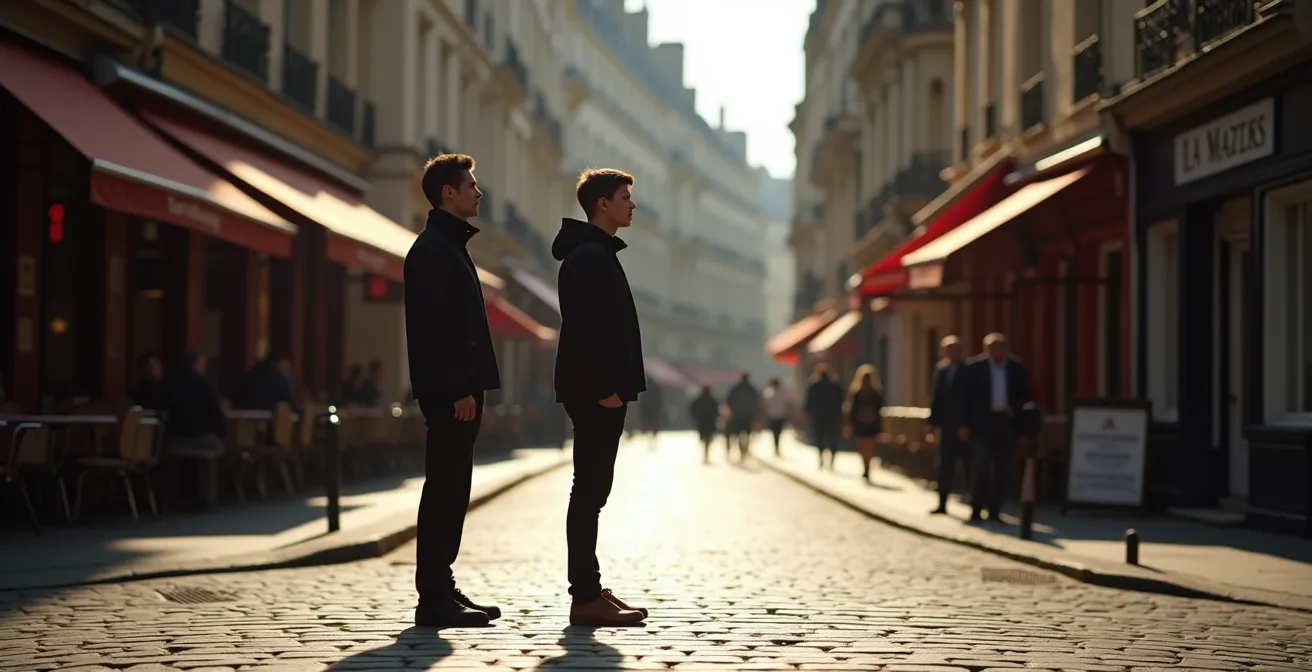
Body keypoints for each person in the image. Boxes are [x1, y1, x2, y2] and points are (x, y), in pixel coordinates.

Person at [404, 153, 503, 628]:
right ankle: (432, 597)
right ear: (449, 192)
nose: (479, 193)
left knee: (453, 488)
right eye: (471, 185)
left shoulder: (449, 245)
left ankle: (442, 587)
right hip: (453, 395)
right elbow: (433, 331)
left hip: (461, 391)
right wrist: (458, 388)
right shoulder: (432, 250)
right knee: (444, 488)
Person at [552, 168, 648, 627]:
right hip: (596, 394)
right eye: (625, 197)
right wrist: (606, 390)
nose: (632, 204)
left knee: (593, 492)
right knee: (588, 492)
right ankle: (584, 596)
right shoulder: (590, 255)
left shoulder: (595, 252)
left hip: (599, 392)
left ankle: (589, 588)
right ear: (602, 205)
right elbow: (586, 332)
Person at [960, 332, 1033, 523]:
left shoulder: (1015, 368)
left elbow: (1025, 394)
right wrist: (964, 424)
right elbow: (964, 398)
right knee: (981, 465)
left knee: (1003, 468)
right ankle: (976, 508)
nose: (998, 352)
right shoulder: (975, 368)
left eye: (1001, 347)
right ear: (987, 350)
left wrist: (1014, 409)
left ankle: (995, 510)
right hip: (982, 423)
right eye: (994, 348)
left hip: (1006, 422)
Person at [160, 351, 227, 511]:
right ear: (197, 364)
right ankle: (207, 498)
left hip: (174, 439)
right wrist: (222, 435)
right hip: (202, 438)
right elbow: (217, 414)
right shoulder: (207, 384)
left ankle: (171, 498)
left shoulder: (169, 383)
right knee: (216, 451)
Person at [928, 335, 970, 515]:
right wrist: (931, 423)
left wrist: (966, 424)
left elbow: (971, 399)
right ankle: (942, 503)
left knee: (970, 466)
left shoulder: (969, 370)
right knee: (944, 466)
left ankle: (975, 505)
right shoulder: (941, 370)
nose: (951, 353)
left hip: (965, 428)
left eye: (954, 349)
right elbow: (936, 397)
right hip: (946, 426)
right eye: (948, 350)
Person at [844, 364, 884, 482]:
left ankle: (865, 466)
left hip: (861, 423)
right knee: (869, 445)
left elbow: (852, 410)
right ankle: (868, 465)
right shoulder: (875, 392)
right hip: (871, 423)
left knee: (863, 445)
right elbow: (879, 410)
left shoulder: (857, 392)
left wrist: (849, 423)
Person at [804, 363, 844, 469]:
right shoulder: (835, 386)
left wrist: (808, 414)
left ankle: (821, 456)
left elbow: (809, 402)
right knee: (833, 438)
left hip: (819, 416)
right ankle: (832, 459)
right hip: (833, 416)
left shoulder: (814, 386)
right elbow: (841, 402)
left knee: (819, 437)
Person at [724, 372, 761, 463]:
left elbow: (729, 400)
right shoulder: (752, 389)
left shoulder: (736, 388)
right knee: (746, 432)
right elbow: (757, 401)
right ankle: (744, 448)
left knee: (739, 432)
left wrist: (732, 410)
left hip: (738, 414)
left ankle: (741, 448)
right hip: (749, 414)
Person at [689, 383, 721, 464]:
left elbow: (693, 409)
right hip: (710, 422)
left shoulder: (699, 399)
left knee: (703, 437)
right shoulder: (713, 399)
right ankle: (706, 451)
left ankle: (705, 452)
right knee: (708, 437)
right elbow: (717, 410)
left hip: (702, 421)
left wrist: (695, 417)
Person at [762, 377, 790, 456]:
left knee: (774, 432)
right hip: (781, 415)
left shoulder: (768, 392)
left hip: (772, 415)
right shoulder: (782, 392)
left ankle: (776, 446)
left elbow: (765, 404)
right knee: (778, 432)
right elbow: (786, 403)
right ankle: (777, 446)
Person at [639, 375, 663, 450]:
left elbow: (643, 401)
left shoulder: (646, 389)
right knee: (654, 426)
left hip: (648, 410)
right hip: (654, 410)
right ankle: (653, 441)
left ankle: (651, 441)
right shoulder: (656, 389)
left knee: (649, 426)